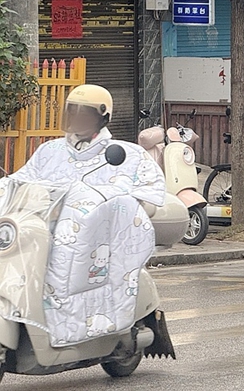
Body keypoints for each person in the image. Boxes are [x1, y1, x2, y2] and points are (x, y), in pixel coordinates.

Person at [8, 84, 165, 346]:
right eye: (73, 111)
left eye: (85, 113)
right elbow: (20, 181)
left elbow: (148, 193)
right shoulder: (50, 151)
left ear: (104, 117)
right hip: (42, 231)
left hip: (95, 240)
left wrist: (109, 201)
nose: (77, 118)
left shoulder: (126, 154)